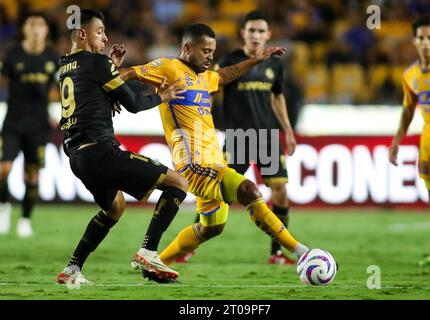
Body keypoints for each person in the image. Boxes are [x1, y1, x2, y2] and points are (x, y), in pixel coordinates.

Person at [120, 23, 310, 281]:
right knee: (249, 190)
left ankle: (156, 262)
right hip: (194, 164)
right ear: (187, 48)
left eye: (213, 51)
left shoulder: (205, 77)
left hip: (213, 160)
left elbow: (227, 73)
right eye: (205, 51)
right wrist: (108, 94)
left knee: (212, 227)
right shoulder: (168, 67)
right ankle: (301, 252)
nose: (211, 56)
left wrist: (256, 60)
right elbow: (127, 73)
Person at [55, 9, 188, 285]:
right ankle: (149, 251)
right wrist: (161, 95)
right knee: (178, 183)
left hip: (78, 157)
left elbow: (91, 95)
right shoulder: (97, 63)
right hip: (102, 152)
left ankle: (72, 269)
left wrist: (111, 70)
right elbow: (134, 105)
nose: (105, 38)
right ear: (82, 34)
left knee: (114, 207)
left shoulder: (64, 65)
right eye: (100, 31)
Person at [182, 11, 298, 265]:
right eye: (251, 31)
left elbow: (278, 97)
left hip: (267, 136)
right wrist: (201, 124)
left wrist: (287, 130)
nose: (256, 35)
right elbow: (209, 91)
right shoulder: (229, 61)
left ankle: (276, 252)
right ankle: (188, 247)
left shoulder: (275, 64)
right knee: (215, 191)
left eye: (260, 31)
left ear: (268, 34)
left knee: (280, 191)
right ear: (243, 33)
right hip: (238, 137)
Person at [389, 16, 430, 266]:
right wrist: (396, 142)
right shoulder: (410, 75)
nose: (425, 42)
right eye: (421, 38)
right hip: (428, 139)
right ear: (414, 41)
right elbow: (408, 110)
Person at [0, 11, 59, 237]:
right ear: (24, 29)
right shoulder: (12, 55)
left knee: (32, 175)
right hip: (13, 121)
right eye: (31, 24)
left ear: (45, 30)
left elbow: (63, 90)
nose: (36, 28)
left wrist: (55, 112)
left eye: (40, 25)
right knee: (3, 169)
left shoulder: (53, 58)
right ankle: (4, 207)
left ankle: (25, 220)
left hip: (39, 124)